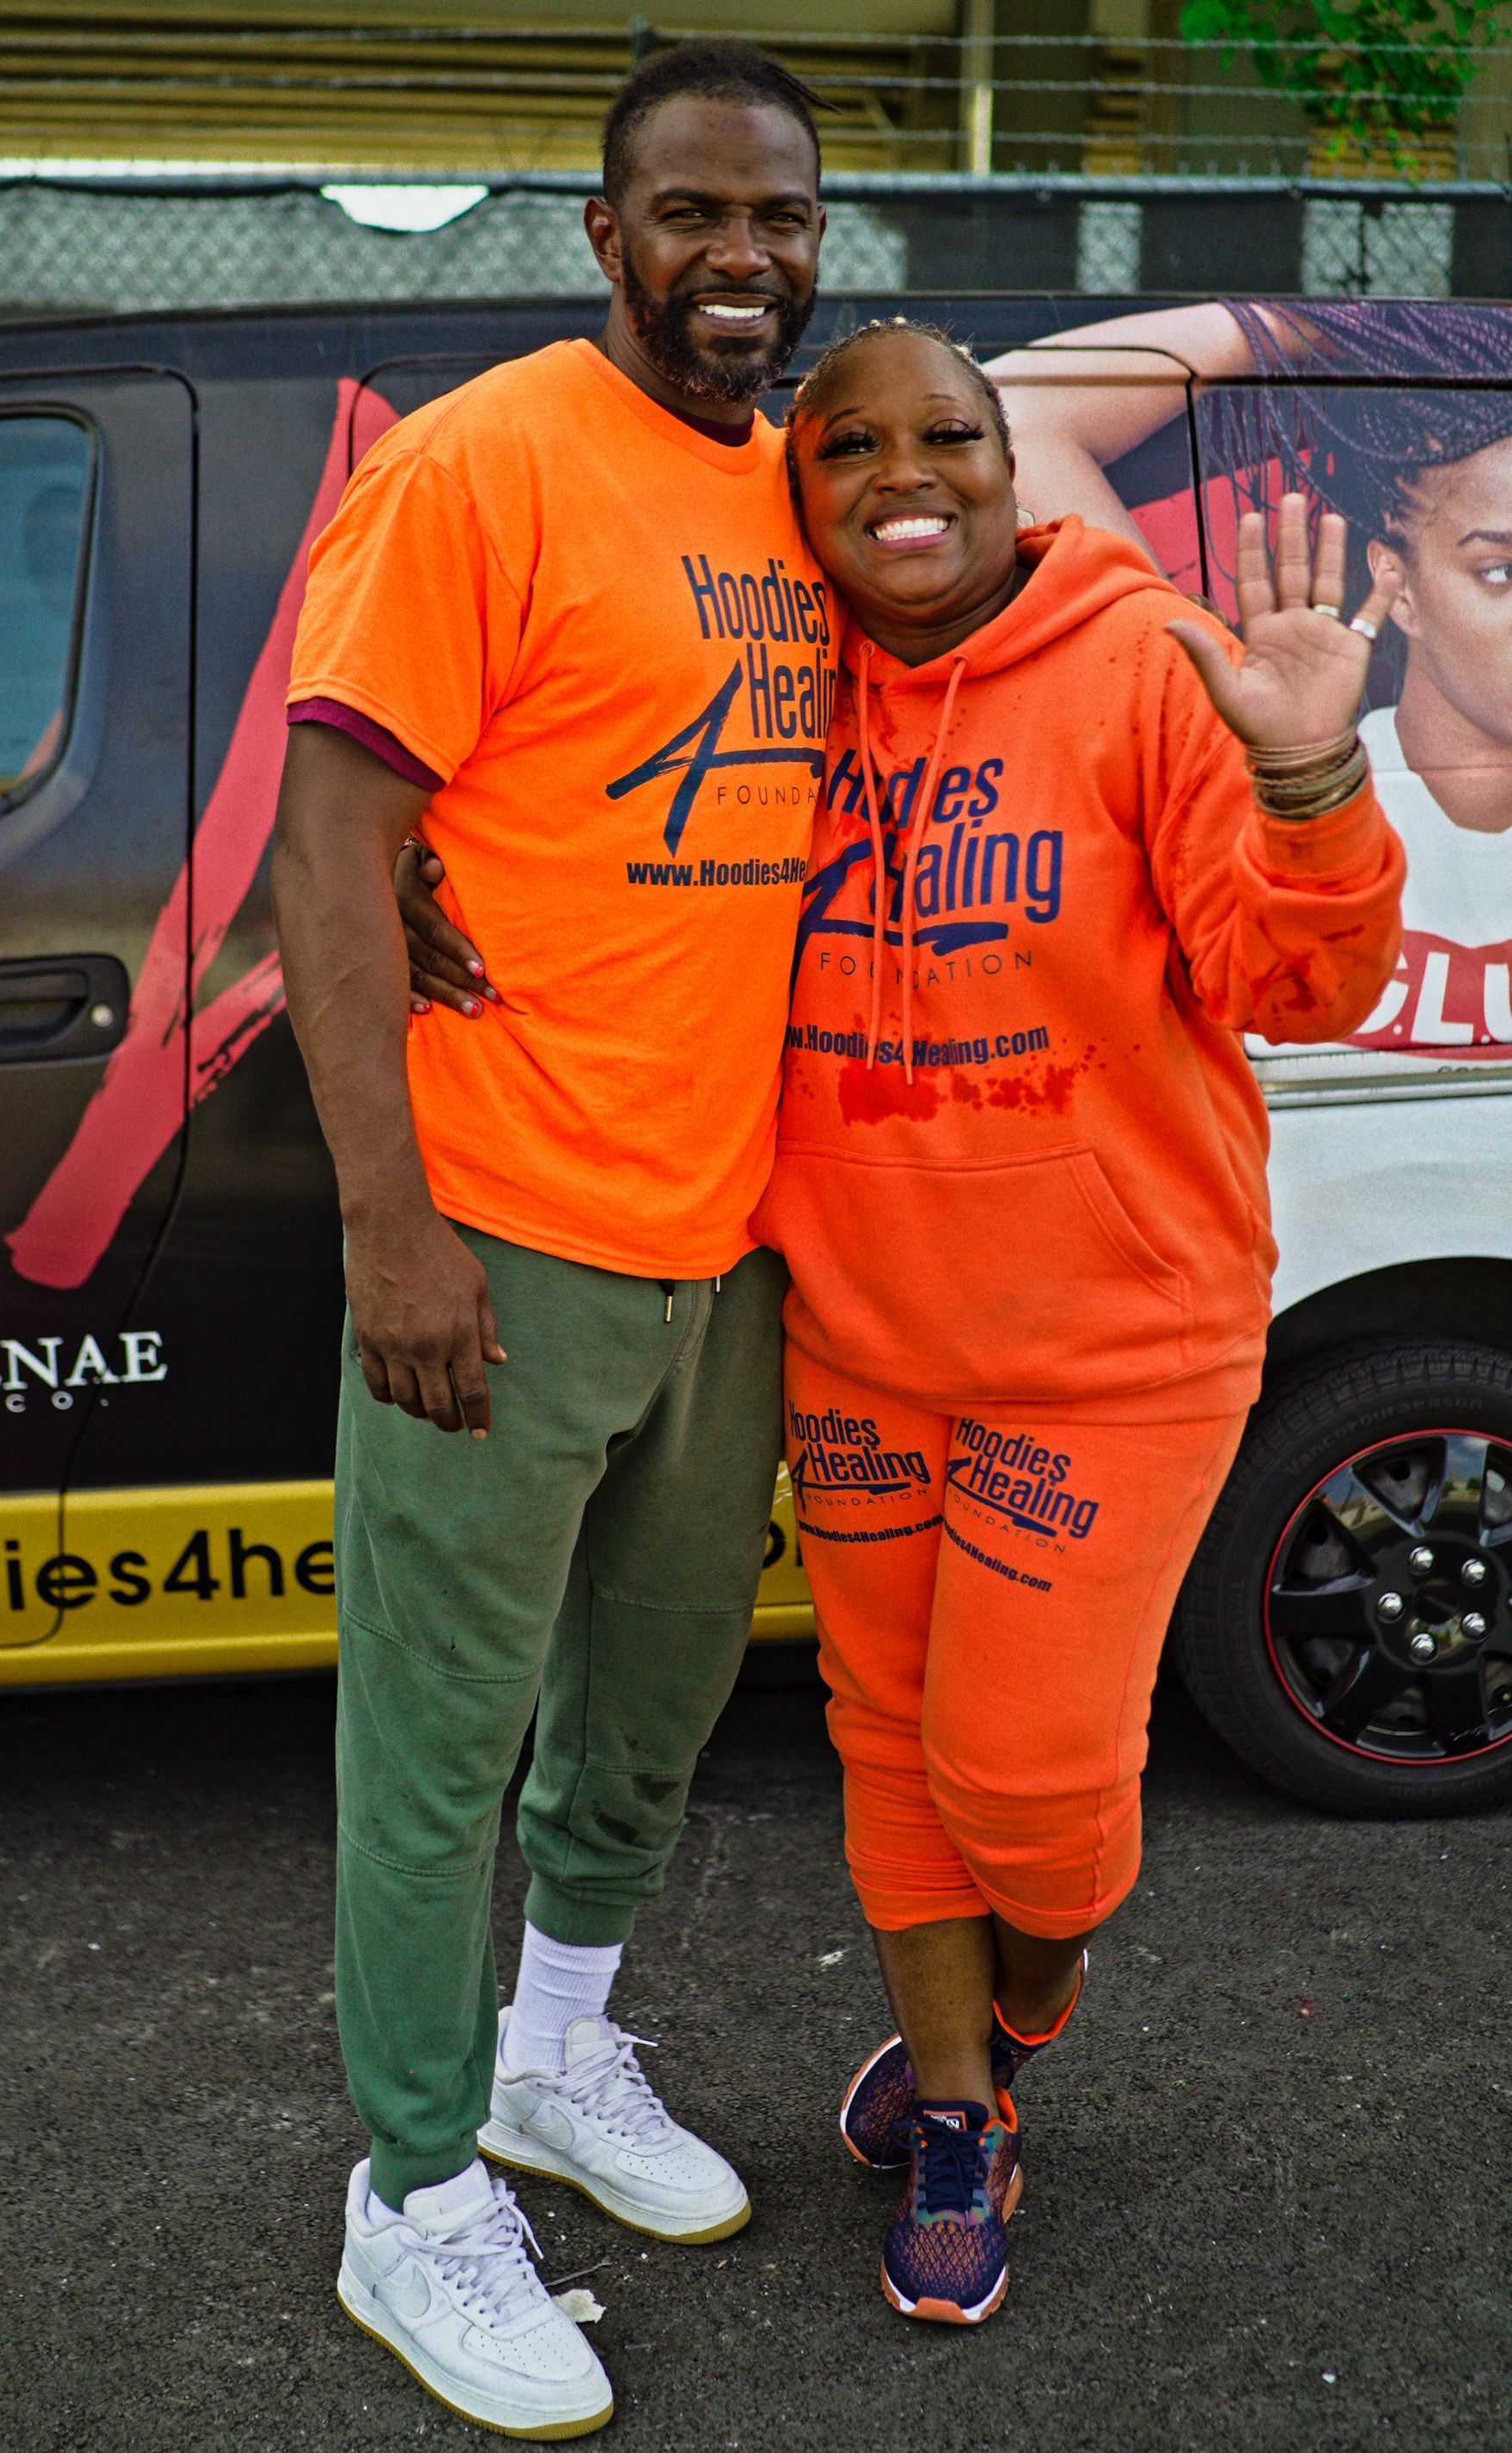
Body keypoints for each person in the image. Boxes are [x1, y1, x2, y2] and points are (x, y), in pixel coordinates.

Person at [273, 41, 834, 2440]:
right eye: (692, 214)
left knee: (645, 1715)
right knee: (433, 1751)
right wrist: (389, 1227)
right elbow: (327, 839)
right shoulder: (485, 460)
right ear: (605, 236)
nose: (742, 257)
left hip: (733, 1237)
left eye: (779, 217)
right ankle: (410, 2201)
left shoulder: (810, 485)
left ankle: (550, 2063)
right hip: (503, 1236)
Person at [744, 318, 1405, 2327]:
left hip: (1111, 1343)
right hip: (858, 1334)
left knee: (1025, 1786)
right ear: (801, 487)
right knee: (882, 1741)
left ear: (1013, 461)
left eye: (947, 432)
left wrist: (1303, 763)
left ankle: (1024, 1990)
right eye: (847, 444)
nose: (902, 476)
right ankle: (960, 2107)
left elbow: (1305, 980)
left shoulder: (1134, 667)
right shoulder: (776, 691)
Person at [987, 299, 1512, 1055]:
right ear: (1398, 587)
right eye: (1499, 570)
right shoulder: (1248, 745)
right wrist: (1329, 324)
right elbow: (1007, 419)